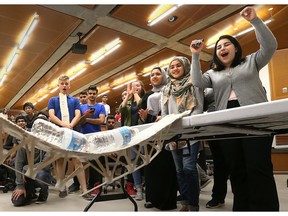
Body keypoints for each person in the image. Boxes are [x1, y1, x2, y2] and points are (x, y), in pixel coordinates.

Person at [190, 6, 279, 211]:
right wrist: (195, 55)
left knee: (258, 166)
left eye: (226, 44)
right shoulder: (213, 74)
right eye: (218, 46)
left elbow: (271, 45)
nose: (222, 47)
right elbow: (196, 81)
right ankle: (242, 208)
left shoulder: (251, 61)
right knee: (237, 169)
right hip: (227, 121)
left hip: (256, 119)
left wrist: (255, 21)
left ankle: (265, 209)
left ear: (235, 48)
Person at [161, 56, 204, 211]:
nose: (175, 69)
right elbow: (164, 113)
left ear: (185, 67)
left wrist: (189, 129)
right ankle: (185, 202)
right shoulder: (166, 89)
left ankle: (194, 204)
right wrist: (170, 134)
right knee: (179, 171)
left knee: (189, 168)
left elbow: (198, 107)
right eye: (172, 66)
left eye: (178, 65)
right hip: (174, 134)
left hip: (190, 133)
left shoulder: (194, 84)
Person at [138, 66, 178, 210]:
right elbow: (145, 118)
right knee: (151, 167)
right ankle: (152, 199)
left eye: (157, 74)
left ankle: (167, 201)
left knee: (166, 166)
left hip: (167, 134)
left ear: (164, 76)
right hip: (150, 137)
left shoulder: (170, 91)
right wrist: (144, 119)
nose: (154, 77)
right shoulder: (146, 96)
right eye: (152, 75)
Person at [48, 75, 92, 200]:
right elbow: (51, 115)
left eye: (66, 83)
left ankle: (84, 189)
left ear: (69, 85)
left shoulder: (74, 100)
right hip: (59, 133)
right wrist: (63, 125)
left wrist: (70, 125)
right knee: (60, 160)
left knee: (76, 160)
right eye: (62, 83)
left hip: (73, 132)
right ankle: (62, 186)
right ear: (58, 85)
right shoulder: (53, 100)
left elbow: (78, 114)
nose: (64, 86)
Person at [11, 115, 52, 206]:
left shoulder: (50, 144)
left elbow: (45, 164)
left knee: (41, 174)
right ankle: (31, 193)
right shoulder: (26, 141)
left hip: (40, 173)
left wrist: (26, 170)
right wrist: (20, 185)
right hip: (26, 177)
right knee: (17, 202)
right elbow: (18, 163)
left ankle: (44, 193)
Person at [119, 80, 146, 201]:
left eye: (138, 86)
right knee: (134, 163)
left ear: (142, 88)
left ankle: (147, 186)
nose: (135, 88)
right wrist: (128, 96)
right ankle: (138, 188)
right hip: (132, 137)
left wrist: (135, 93)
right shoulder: (129, 102)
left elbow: (141, 104)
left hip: (144, 134)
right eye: (133, 87)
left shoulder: (144, 98)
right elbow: (121, 109)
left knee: (146, 161)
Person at [77, 85, 106, 196]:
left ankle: (95, 186)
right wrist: (86, 117)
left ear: (96, 94)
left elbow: (101, 121)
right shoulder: (82, 107)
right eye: (90, 93)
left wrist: (87, 118)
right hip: (84, 137)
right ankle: (85, 187)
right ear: (88, 94)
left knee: (96, 163)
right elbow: (79, 122)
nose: (92, 95)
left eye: (94, 93)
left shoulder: (101, 107)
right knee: (84, 163)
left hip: (96, 138)